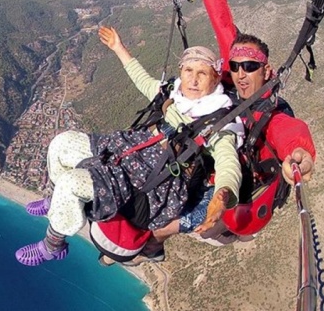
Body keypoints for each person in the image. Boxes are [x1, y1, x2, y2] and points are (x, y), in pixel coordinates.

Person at [132, 0, 317, 263]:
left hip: (235, 208)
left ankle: (152, 241)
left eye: (250, 67)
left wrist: (299, 155)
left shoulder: (267, 113)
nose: (242, 73)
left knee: (171, 224)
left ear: (267, 71)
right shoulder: (227, 83)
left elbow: (290, 131)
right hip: (206, 171)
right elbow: (222, 21)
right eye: (236, 65)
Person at [15, 25, 244, 266]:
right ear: (181, 71)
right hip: (127, 151)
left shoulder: (218, 122)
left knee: (71, 184)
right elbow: (142, 80)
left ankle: (53, 244)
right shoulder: (173, 94)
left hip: (149, 184)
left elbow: (229, 163)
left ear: (216, 77)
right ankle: (56, 201)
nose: (193, 80)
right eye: (189, 70)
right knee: (62, 144)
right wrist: (118, 48)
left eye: (203, 73)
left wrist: (223, 193)